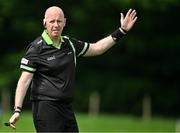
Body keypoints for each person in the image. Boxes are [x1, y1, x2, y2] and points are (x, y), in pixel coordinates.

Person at [8, 6, 137, 132]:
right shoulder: (36, 48)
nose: (56, 25)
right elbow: (24, 81)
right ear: (44, 23)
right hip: (46, 108)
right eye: (52, 21)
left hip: (66, 108)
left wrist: (122, 31)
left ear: (65, 22)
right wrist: (17, 110)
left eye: (59, 21)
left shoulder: (69, 43)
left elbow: (97, 48)